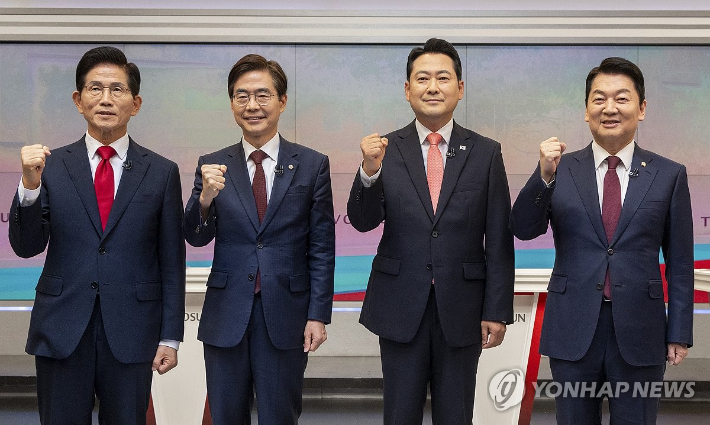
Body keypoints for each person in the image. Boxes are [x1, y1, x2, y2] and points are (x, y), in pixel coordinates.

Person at [510, 57, 694, 424]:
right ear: (586, 110)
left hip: (641, 329)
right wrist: (543, 176)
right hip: (573, 326)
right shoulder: (560, 168)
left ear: (641, 108)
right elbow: (523, 228)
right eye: (599, 99)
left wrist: (679, 332)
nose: (609, 108)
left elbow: (680, 262)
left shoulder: (668, 174)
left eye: (621, 98)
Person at [8, 46, 185, 425]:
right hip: (61, 328)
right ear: (78, 100)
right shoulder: (50, 166)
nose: (106, 99)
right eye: (95, 89)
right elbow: (26, 247)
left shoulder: (162, 172)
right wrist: (29, 185)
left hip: (133, 330)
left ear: (135, 104)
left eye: (117, 89)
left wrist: (170, 336)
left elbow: (172, 262)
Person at [346, 38, 515, 424]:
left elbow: (498, 239)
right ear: (408, 90)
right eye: (422, 79)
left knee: (456, 415)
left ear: (460, 88)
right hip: (400, 304)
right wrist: (369, 171)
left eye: (443, 77)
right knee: (399, 414)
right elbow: (363, 221)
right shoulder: (386, 148)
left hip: (464, 307)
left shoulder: (486, 152)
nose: (433, 87)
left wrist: (497, 310)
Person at [183, 53, 335, 425]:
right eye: (242, 96)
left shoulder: (312, 164)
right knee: (226, 415)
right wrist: (205, 199)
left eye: (262, 95)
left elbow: (321, 247)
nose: (252, 105)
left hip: (286, 314)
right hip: (226, 313)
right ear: (232, 103)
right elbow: (195, 237)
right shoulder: (213, 164)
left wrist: (318, 315)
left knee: (279, 415)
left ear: (282, 101)